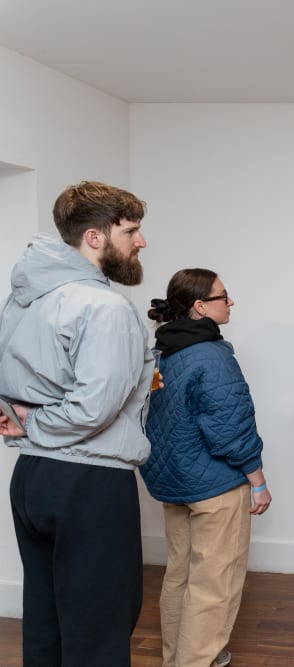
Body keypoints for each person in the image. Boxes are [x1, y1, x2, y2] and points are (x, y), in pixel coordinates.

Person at [0, 181, 152, 665]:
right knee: (100, 630)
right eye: (131, 231)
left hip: (32, 479)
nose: (141, 241)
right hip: (89, 481)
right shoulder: (106, 308)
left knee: (45, 621)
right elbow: (91, 410)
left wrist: (24, 422)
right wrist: (34, 425)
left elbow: (18, 382)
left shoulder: (26, 298)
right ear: (94, 237)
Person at [141, 268, 270, 667]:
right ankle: (196, 660)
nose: (230, 302)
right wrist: (258, 480)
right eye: (223, 296)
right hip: (214, 486)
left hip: (173, 482)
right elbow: (230, 428)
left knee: (180, 574)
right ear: (200, 306)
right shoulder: (211, 357)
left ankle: (176, 658)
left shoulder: (163, 352)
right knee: (214, 583)